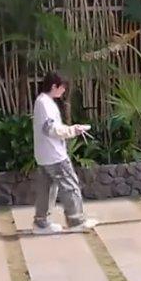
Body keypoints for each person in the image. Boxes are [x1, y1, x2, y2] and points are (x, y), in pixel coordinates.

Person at [32, 72, 98, 234]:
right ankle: (76, 220)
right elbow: (50, 129)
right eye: (62, 88)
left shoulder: (42, 101)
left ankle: (41, 222)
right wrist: (72, 130)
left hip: (44, 155)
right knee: (70, 185)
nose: (63, 91)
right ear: (54, 86)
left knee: (47, 189)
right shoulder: (45, 103)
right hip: (54, 155)